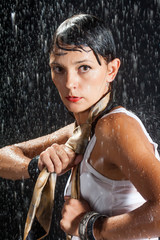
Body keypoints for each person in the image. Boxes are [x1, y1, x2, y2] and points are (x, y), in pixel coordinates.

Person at [0, 14, 160, 240]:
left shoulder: (115, 127)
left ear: (111, 70)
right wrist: (37, 165)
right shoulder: (80, 133)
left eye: (83, 67)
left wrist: (90, 226)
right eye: (59, 69)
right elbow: (4, 157)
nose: (69, 84)